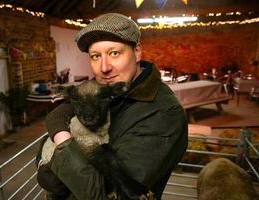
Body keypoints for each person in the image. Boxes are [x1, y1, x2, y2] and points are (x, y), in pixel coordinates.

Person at [37, 13, 188, 199]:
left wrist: (60, 145)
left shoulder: (163, 113)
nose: (104, 67)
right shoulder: (102, 88)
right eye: (95, 56)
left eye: (114, 53)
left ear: (137, 51)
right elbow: (63, 114)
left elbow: (101, 194)